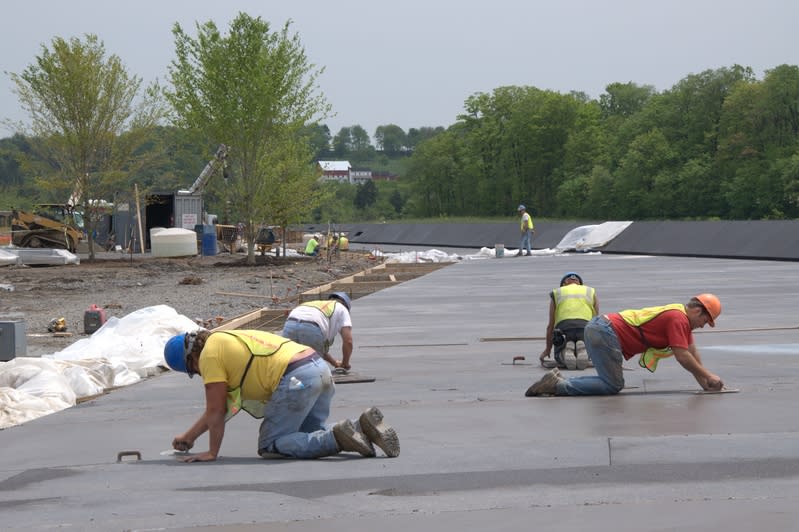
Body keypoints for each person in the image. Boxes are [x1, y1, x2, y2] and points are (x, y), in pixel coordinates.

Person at [163, 328, 400, 462]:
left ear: (190, 358)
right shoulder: (225, 338)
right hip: (318, 369)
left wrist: (212, 452)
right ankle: (361, 426)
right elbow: (222, 407)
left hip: (295, 378)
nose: (197, 372)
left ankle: (337, 439)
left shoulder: (209, 357)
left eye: (192, 370)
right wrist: (189, 437)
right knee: (306, 436)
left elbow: (215, 409)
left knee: (271, 445)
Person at [525, 294, 724, 396]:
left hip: (601, 328)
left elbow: (692, 352)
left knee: (607, 381)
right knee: (612, 385)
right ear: (698, 312)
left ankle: (558, 380)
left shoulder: (680, 317)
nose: (702, 326)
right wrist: (709, 376)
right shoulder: (678, 319)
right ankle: (558, 386)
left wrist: (705, 384)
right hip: (605, 331)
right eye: (705, 321)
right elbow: (683, 357)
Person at [539, 272, 599, 370]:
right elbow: (596, 322)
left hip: (564, 330)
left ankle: (566, 350)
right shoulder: (590, 291)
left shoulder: (557, 292)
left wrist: (547, 349)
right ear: (580, 284)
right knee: (586, 346)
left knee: (559, 356)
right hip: (584, 328)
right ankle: (584, 349)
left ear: (564, 284)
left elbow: (550, 325)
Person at [282, 292, 354, 370]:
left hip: (290, 324)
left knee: (290, 365)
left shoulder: (315, 304)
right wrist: (345, 364)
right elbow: (348, 341)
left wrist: (334, 363)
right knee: (314, 369)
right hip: (311, 327)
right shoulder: (342, 308)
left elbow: (319, 349)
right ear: (346, 305)